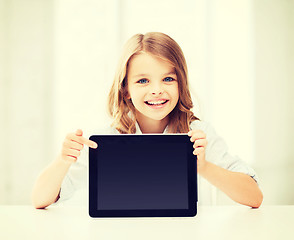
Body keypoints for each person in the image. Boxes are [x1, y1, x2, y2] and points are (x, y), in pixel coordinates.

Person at [31, 32, 263, 209]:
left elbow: (254, 197)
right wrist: (63, 160)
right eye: (143, 81)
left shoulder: (197, 134)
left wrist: (204, 167)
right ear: (126, 90)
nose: (157, 90)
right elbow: (40, 200)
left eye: (168, 79)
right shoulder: (105, 140)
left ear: (180, 83)